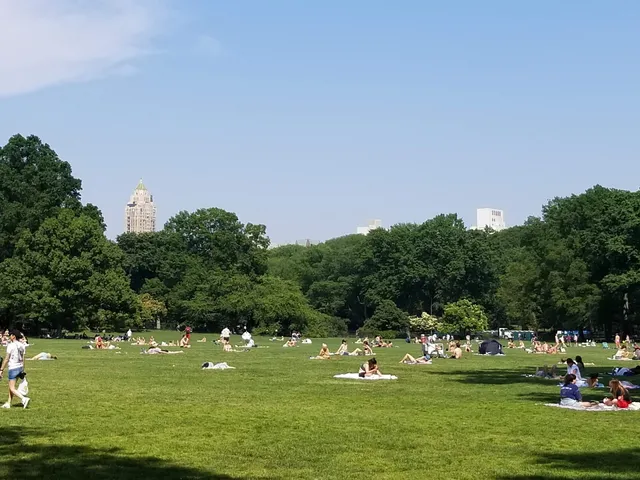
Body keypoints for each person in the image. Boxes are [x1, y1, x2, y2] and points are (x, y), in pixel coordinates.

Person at [0, 330, 30, 409]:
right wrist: (23, 369)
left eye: (10, 335)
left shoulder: (11, 345)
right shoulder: (22, 345)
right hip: (20, 367)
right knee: (11, 386)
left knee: (11, 388)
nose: (9, 336)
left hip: (13, 367)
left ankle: (24, 399)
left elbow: (6, 359)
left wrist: (1, 369)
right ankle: (8, 403)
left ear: (14, 336)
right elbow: (23, 358)